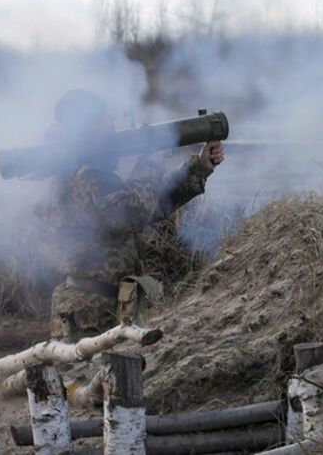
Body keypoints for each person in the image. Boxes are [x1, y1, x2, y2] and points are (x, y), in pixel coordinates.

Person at [37, 89, 224, 341]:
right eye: (108, 125)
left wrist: (198, 168)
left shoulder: (88, 174)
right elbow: (133, 213)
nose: (114, 133)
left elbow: (149, 207)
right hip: (89, 314)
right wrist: (151, 162)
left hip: (102, 306)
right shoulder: (85, 178)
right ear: (89, 129)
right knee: (90, 368)